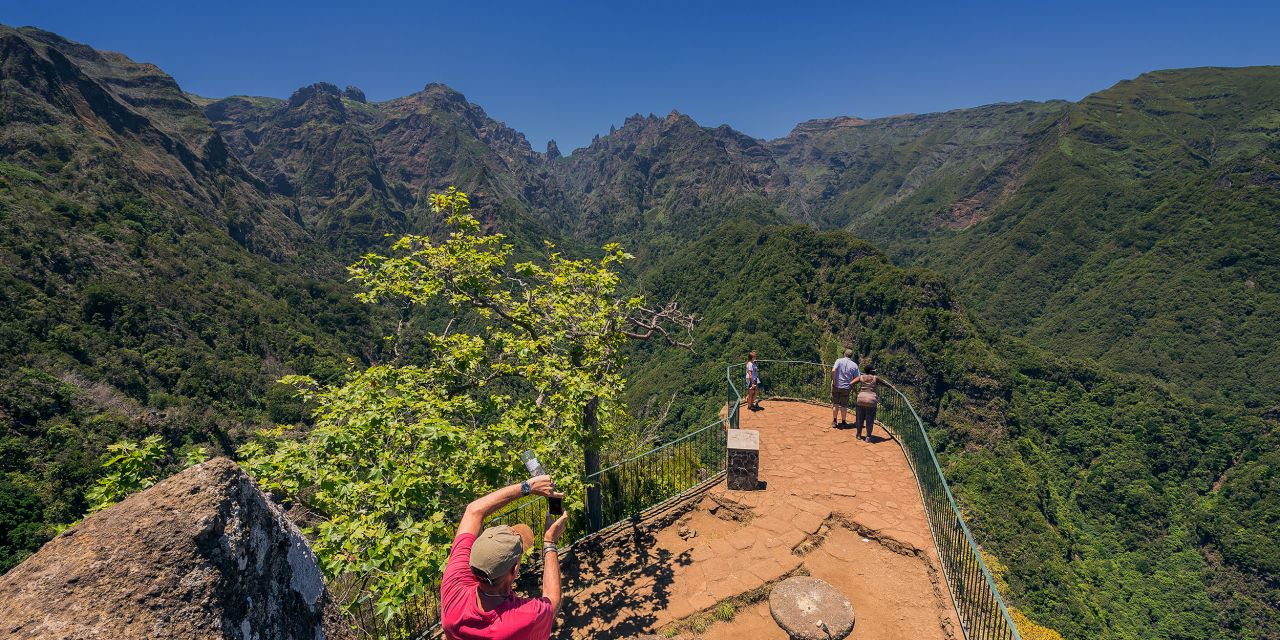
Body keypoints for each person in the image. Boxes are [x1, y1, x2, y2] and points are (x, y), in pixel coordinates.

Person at [441, 474, 569, 640]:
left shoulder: (454, 586)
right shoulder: (525, 618)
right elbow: (553, 600)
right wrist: (550, 542)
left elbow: (474, 511)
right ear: (514, 569)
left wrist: (527, 487)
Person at [830, 349, 860, 428]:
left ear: (844, 354)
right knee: (844, 405)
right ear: (851, 356)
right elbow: (858, 378)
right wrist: (852, 385)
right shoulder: (854, 365)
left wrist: (834, 381)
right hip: (846, 387)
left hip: (836, 385)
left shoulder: (838, 361)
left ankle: (834, 421)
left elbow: (833, 370)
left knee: (835, 404)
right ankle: (843, 422)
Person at [854, 364, 879, 441]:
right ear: (871, 371)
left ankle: (858, 434)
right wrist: (891, 387)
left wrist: (856, 392)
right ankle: (868, 437)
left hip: (861, 399)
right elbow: (886, 384)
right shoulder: (875, 378)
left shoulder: (861, 377)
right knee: (870, 419)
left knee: (859, 418)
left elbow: (851, 383)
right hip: (871, 401)